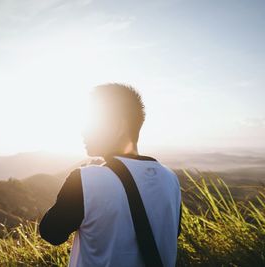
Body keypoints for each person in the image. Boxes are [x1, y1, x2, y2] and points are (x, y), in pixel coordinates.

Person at [39, 83, 181, 267]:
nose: (83, 131)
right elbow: (170, 233)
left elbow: (52, 234)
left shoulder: (86, 180)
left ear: (117, 126)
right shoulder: (170, 178)